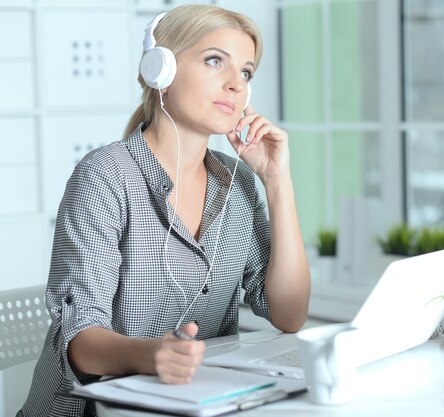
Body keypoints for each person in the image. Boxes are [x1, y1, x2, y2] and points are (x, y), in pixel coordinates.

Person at [18, 4, 310, 416]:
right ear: (163, 72)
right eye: (215, 61)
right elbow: (80, 341)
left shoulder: (238, 182)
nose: (235, 85)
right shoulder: (105, 177)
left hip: (192, 405)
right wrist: (151, 355)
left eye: (245, 73)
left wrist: (278, 181)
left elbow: (290, 314)